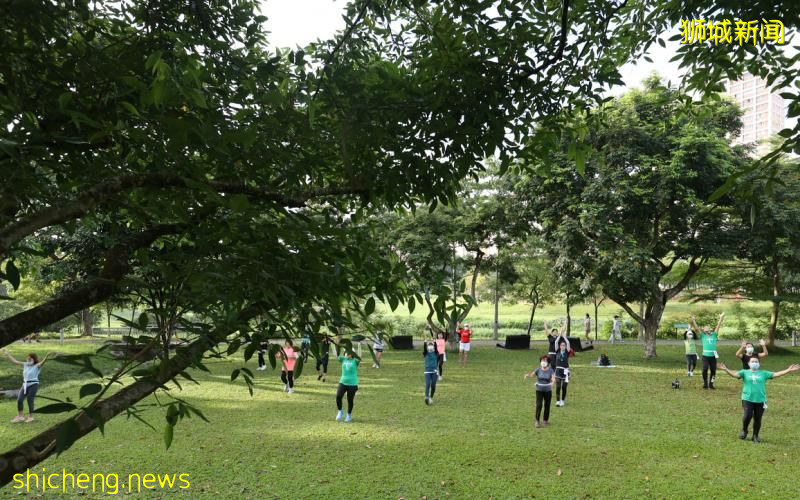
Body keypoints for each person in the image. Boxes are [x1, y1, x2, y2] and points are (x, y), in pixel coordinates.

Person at [718, 360, 800, 442]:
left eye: (756, 361)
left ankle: (755, 435)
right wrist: (726, 369)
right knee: (748, 415)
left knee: (758, 418)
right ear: (749, 363)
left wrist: (788, 370)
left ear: (759, 364)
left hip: (760, 399)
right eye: (752, 361)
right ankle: (744, 430)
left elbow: (776, 374)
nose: (754, 363)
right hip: (747, 398)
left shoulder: (764, 373)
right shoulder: (744, 372)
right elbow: (734, 375)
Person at [2, 349, 56, 423]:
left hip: (33, 385)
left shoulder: (37, 365)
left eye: (30, 358)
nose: (28, 359)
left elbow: (42, 363)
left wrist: (46, 357)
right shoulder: (25, 364)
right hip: (25, 385)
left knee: (29, 399)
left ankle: (31, 417)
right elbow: (15, 361)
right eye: (28, 358)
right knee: (19, 400)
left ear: (34, 359)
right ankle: (20, 416)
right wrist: (8, 354)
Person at [690, 313, 724, 389]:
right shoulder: (703, 336)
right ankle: (705, 383)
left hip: (713, 356)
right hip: (705, 356)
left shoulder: (714, 335)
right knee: (705, 369)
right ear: (704, 330)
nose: (706, 328)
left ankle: (711, 384)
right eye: (705, 327)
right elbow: (697, 329)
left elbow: (718, 326)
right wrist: (693, 320)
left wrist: (721, 318)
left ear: (710, 329)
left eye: (707, 327)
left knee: (713, 370)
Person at [524, 355, 555, 428]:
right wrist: (527, 375)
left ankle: (545, 420)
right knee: (539, 405)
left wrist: (553, 382)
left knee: (547, 405)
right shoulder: (538, 370)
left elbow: (553, 378)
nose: (543, 362)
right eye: (542, 360)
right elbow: (532, 375)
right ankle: (537, 421)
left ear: (548, 362)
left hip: (548, 390)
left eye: (545, 361)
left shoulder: (551, 370)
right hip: (539, 390)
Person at [335, 350, 361, 423]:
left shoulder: (355, 361)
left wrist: (359, 346)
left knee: (350, 400)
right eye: (346, 353)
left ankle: (348, 415)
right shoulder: (343, 359)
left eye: (349, 353)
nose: (347, 354)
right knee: (338, 396)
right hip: (343, 382)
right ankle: (340, 411)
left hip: (352, 383)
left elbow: (359, 357)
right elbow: (336, 355)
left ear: (352, 354)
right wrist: (333, 345)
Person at [554, 340, 570, 407]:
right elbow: (556, 342)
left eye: (564, 345)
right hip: (558, 371)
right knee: (558, 386)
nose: (563, 346)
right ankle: (558, 401)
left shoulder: (567, 352)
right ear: (559, 346)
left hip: (565, 371)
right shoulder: (557, 351)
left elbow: (568, 343)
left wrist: (564, 337)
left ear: (565, 346)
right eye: (561, 345)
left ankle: (562, 400)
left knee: (564, 387)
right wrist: (560, 335)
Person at [422, 341, 439, 405]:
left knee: (433, 385)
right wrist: (425, 343)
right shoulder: (426, 353)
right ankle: (426, 397)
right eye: (429, 345)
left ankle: (431, 397)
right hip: (427, 371)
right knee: (428, 384)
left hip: (434, 371)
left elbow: (436, 348)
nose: (430, 346)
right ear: (427, 347)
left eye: (431, 345)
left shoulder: (436, 353)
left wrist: (434, 342)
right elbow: (424, 349)